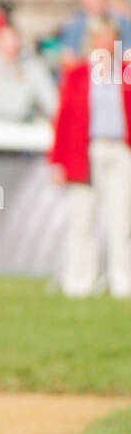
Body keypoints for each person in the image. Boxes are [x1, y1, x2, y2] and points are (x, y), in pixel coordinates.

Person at [50, 15, 131, 298]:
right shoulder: (78, 75)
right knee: (82, 219)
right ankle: (79, 282)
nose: (105, 43)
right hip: (85, 152)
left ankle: (124, 283)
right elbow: (63, 120)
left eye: (110, 37)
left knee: (122, 220)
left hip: (120, 150)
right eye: (100, 37)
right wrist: (58, 162)